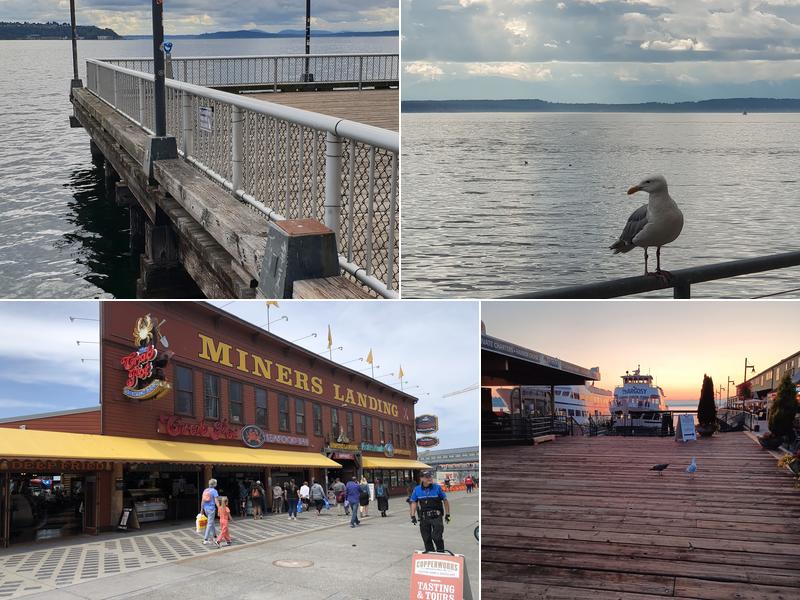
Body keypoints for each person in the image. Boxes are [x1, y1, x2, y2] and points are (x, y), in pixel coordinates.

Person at [409, 470, 450, 553]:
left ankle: (441, 553)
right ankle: (430, 554)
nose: (430, 478)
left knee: (437, 537)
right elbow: (413, 502)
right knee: (426, 538)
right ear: (421, 479)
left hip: (436, 517)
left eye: (430, 476)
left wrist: (447, 514)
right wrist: (412, 515)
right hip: (424, 518)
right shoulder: (417, 490)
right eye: (427, 477)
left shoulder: (437, 488)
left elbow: (445, 500)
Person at [200, 478, 221, 547]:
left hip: (206, 508)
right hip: (211, 508)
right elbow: (216, 501)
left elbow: (202, 500)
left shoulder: (205, 490)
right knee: (209, 523)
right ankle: (205, 539)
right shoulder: (214, 491)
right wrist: (219, 508)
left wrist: (201, 509)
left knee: (211, 522)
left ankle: (215, 535)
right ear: (214, 484)